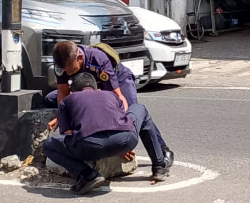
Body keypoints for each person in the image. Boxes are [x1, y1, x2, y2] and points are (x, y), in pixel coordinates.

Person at [45, 41, 174, 166]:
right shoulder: (61, 64)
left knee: (133, 112)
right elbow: (63, 92)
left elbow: (118, 96)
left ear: (79, 58)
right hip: (88, 86)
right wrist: (60, 115)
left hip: (117, 83)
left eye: (71, 70)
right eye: (65, 71)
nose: (67, 74)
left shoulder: (97, 59)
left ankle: (162, 150)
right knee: (50, 98)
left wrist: (121, 138)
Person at [44, 72, 170, 195]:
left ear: (73, 91)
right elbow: (120, 119)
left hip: (88, 147)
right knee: (140, 108)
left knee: (49, 145)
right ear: (97, 89)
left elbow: (67, 133)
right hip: (125, 140)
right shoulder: (111, 95)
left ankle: (87, 175)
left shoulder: (68, 100)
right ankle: (159, 166)